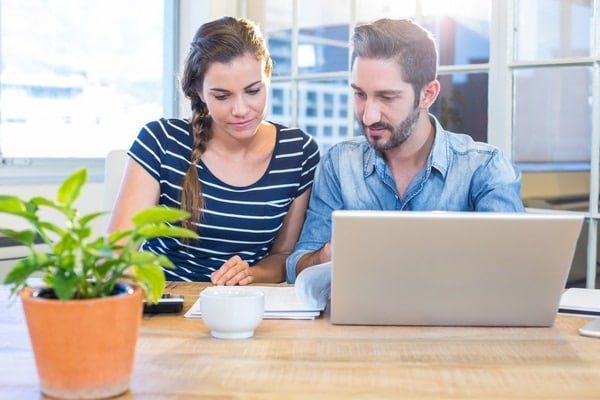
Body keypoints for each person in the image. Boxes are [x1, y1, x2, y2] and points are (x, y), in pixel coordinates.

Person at [286, 18, 525, 284]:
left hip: (454, 323)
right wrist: (325, 256)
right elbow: (297, 264)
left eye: (387, 97)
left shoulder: (485, 168)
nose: (368, 116)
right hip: (359, 323)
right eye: (359, 94)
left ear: (428, 94)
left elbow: (514, 274)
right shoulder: (338, 164)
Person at [108, 16, 320, 285]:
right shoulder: (161, 140)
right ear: (199, 91)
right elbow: (116, 254)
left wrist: (251, 273)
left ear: (268, 75)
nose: (241, 110)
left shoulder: (298, 152)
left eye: (253, 91)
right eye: (222, 96)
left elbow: (285, 256)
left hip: (245, 303)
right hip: (167, 301)